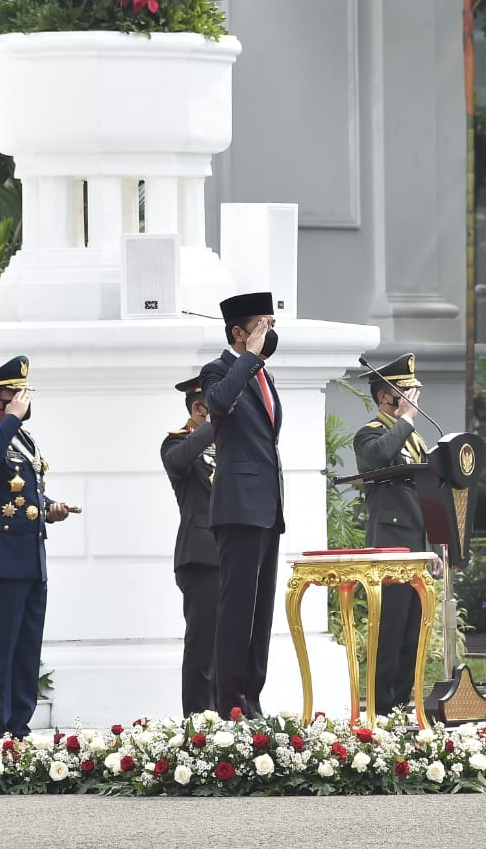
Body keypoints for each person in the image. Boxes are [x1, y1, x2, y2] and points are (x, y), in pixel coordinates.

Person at [0, 355, 70, 737]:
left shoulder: (22, 439)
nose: (25, 401)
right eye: (17, 395)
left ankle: (18, 730)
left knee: (26, 652)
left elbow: (24, 495)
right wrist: (9, 420)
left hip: (29, 561)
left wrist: (49, 509)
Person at [202, 291, 282, 717]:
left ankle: (252, 697)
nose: (270, 334)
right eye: (262, 326)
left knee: (260, 612)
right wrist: (248, 358)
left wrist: (256, 362)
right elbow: (218, 404)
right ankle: (230, 703)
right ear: (239, 332)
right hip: (238, 507)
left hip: (267, 507)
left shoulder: (263, 375)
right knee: (236, 608)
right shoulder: (218, 371)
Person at [353, 353, 430, 714]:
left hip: (416, 545)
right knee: (390, 630)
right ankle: (380, 708)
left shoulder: (414, 438)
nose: (415, 398)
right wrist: (408, 420)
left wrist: (436, 548)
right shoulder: (370, 434)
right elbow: (379, 457)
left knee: (412, 634)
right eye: (407, 391)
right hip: (390, 544)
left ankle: (402, 704)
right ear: (387, 397)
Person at [162, 374, 219, 715]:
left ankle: (230, 717)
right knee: (203, 645)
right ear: (200, 408)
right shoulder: (176, 443)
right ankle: (198, 720)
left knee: (230, 645)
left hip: (232, 554)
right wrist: (212, 426)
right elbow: (180, 461)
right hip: (201, 556)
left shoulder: (230, 443)